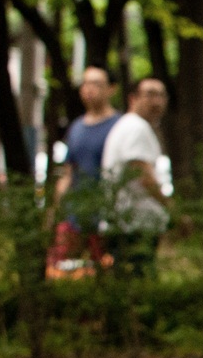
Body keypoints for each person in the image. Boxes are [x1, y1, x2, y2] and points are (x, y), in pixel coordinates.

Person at [49, 66, 124, 274]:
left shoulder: (120, 126)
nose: (90, 89)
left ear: (112, 89)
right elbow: (68, 172)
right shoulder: (76, 128)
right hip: (74, 216)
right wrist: (54, 211)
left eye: (97, 84)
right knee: (60, 271)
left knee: (104, 272)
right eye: (86, 83)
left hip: (106, 217)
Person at [100, 76, 171, 275]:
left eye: (161, 95)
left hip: (126, 223)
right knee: (139, 283)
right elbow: (143, 174)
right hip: (134, 226)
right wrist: (171, 208)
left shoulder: (128, 125)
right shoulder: (136, 128)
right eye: (149, 94)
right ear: (133, 98)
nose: (156, 101)